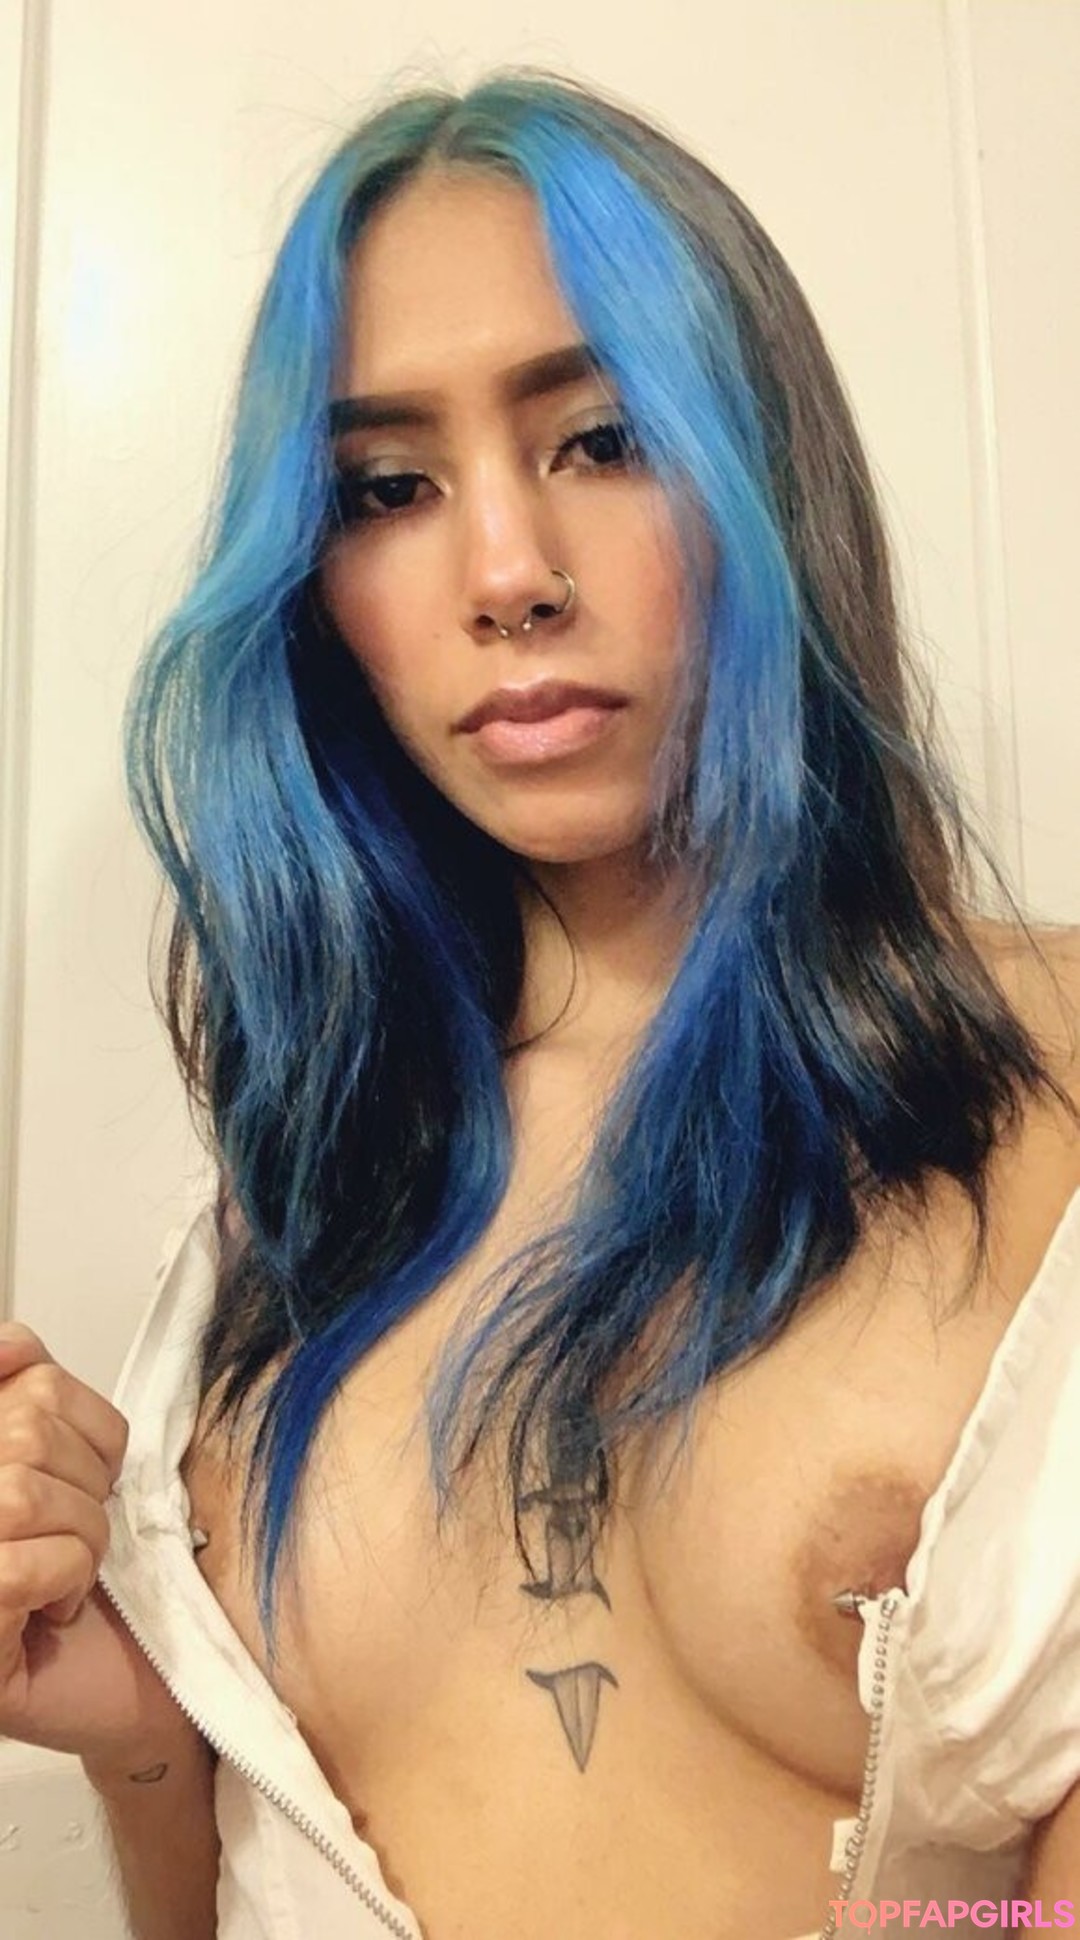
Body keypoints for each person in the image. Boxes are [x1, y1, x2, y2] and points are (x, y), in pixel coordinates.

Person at [0, 66, 1078, 1940]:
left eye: (602, 438)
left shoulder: (1042, 1095)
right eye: (387, 490)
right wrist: (142, 1735)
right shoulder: (300, 1196)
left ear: (768, 470)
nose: (507, 576)